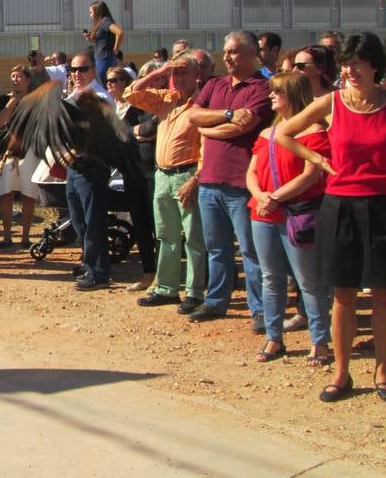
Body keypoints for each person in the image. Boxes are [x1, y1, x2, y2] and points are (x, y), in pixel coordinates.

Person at [276, 32, 386, 403]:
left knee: (384, 295)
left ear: (374, 66)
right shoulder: (333, 102)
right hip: (340, 205)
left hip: (383, 205)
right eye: (346, 63)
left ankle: (382, 371)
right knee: (344, 294)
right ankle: (341, 372)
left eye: (358, 63)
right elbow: (284, 133)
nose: (350, 70)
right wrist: (319, 161)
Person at [186, 31, 272, 326]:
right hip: (210, 179)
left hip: (242, 182)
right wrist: (226, 115)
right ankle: (216, 301)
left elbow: (243, 127)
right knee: (217, 247)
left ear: (252, 54)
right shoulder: (214, 84)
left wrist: (209, 125)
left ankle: (259, 309)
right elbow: (193, 117)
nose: (227, 57)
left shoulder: (263, 87)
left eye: (234, 51)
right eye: (225, 51)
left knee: (250, 251)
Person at [245, 72, 331, 366]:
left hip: (299, 213)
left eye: (277, 92)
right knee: (271, 278)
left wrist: (273, 197)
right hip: (264, 212)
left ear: (292, 95)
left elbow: (311, 175)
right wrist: (262, 196)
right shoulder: (267, 133)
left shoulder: (314, 131)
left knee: (309, 280)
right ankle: (274, 337)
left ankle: (320, 342)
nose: (271, 96)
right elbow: (252, 172)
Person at [125, 53, 206, 312]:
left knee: (193, 237)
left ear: (197, 75)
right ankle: (167, 288)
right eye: (176, 72)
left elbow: (207, 147)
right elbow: (131, 94)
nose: (179, 76)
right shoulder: (166, 101)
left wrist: (196, 179)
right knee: (166, 235)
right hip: (162, 175)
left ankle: (194, 292)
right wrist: (160, 72)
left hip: (187, 174)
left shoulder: (202, 104)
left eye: (184, 71)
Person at [65, 54, 115, 290]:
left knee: (93, 221)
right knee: (78, 220)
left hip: (93, 167)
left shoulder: (100, 97)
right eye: (73, 69)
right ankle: (89, 262)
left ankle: (99, 272)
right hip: (74, 168)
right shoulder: (73, 97)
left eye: (82, 69)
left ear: (94, 71)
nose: (77, 73)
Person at [107, 66, 157, 292]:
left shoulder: (140, 106)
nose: (110, 84)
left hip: (149, 171)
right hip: (129, 173)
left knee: (158, 225)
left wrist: (134, 133)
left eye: (115, 80)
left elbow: (152, 129)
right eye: (108, 80)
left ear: (127, 82)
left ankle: (164, 274)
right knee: (141, 225)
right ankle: (148, 273)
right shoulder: (111, 111)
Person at [0, 65, 38, 249]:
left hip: (29, 151)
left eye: (19, 76)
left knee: (28, 195)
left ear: (27, 80)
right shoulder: (3, 99)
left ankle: (25, 237)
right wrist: (11, 104)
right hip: (6, 153)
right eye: (12, 76)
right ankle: (6, 236)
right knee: (5, 194)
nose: (15, 79)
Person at [85, 1, 124, 76]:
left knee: (103, 82)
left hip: (105, 59)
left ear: (97, 12)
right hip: (99, 58)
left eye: (91, 12)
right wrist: (90, 38)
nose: (90, 15)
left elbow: (120, 33)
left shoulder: (105, 21)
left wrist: (115, 50)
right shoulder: (100, 24)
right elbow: (101, 41)